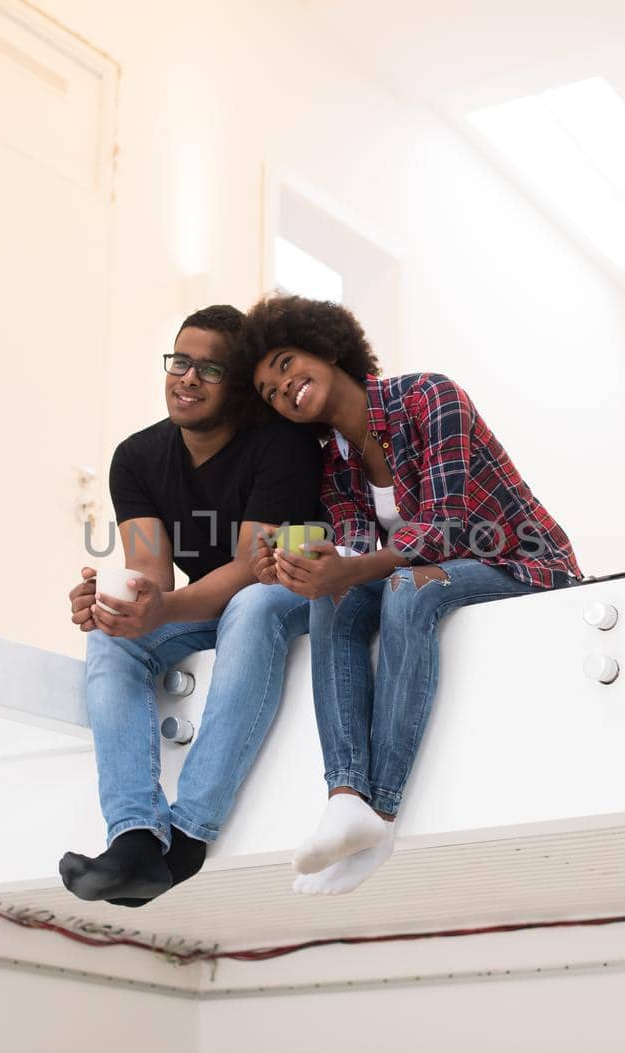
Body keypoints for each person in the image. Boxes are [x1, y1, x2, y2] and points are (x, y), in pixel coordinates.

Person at [235, 294, 580, 895]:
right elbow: (352, 553)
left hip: (522, 562)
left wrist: (349, 567)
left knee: (405, 584)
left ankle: (383, 814)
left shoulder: (428, 397)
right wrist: (297, 568)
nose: (283, 387)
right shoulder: (335, 466)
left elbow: (445, 526)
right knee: (335, 600)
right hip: (430, 572)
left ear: (326, 345)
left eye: (287, 364)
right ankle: (344, 797)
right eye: (268, 391)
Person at [60, 305, 322, 907]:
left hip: (296, 588)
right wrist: (118, 607)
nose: (188, 379)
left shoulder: (281, 446)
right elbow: (151, 575)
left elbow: (253, 563)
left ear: (239, 386)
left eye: (211, 369)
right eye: (180, 361)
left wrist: (164, 609)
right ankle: (132, 837)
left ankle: (188, 835)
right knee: (110, 635)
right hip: (214, 608)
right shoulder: (136, 457)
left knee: (255, 603)